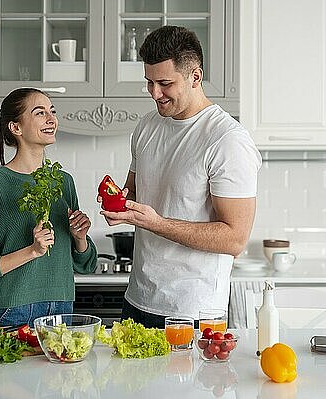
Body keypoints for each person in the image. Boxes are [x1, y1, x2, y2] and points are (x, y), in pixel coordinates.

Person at [100, 26, 262, 328]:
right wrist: (120, 204)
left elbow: (235, 238)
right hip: (137, 299)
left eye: (165, 83)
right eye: (149, 82)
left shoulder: (227, 140)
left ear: (195, 77)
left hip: (192, 311)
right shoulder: (147, 126)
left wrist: (156, 223)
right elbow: (133, 191)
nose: (155, 93)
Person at [0, 88, 97, 327]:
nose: (51, 119)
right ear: (16, 127)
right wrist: (32, 251)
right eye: (40, 113)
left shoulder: (63, 182)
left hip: (62, 308)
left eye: (52, 111)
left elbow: (86, 264)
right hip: (14, 310)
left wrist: (80, 238)